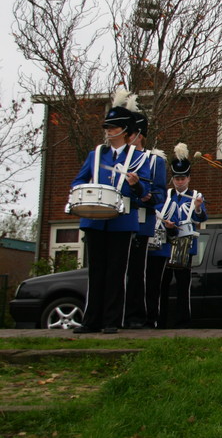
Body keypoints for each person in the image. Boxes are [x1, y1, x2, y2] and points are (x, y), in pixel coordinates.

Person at [71, 89, 151, 334]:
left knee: (117, 272)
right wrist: (83, 192)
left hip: (122, 220)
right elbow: (78, 180)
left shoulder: (138, 158)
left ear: (125, 130)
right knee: (96, 271)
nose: (108, 131)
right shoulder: (96, 155)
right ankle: (91, 320)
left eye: (113, 127)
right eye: (107, 127)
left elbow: (145, 192)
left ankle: (111, 321)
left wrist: (136, 184)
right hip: (94, 218)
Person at [123, 98, 167, 329]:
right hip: (116, 219)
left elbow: (160, 194)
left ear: (139, 135)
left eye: (129, 133)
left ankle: (136, 316)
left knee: (138, 272)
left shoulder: (153, 161)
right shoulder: (116, 157)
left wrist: (148, 196)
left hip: (141, 222)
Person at [158, 143, 207, 328]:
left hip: (186, 246)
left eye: (183, 178)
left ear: (189, 178)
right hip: (166, 244)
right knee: (162, 285)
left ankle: (183, 321)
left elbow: (201, 217)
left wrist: (198, 207)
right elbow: (158, 214)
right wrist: (166, 223)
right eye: (177, 178)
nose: (180, 182)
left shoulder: (196, 195)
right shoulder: (166, 195)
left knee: (183, 286)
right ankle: (160, 320)